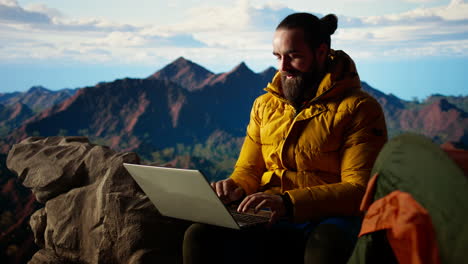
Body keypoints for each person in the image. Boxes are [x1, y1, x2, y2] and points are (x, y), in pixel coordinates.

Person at [183, 12, 387, 264]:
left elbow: (359, 191)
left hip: (329, 217)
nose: (283, 67)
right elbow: (248, 170)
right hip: (270, 213)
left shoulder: (360, 109)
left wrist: (288, 203)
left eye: (294, 56)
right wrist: (234, 187)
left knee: (325, 245)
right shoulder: (264, 106)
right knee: (200, 234)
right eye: (278, 57)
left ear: (321, 53)